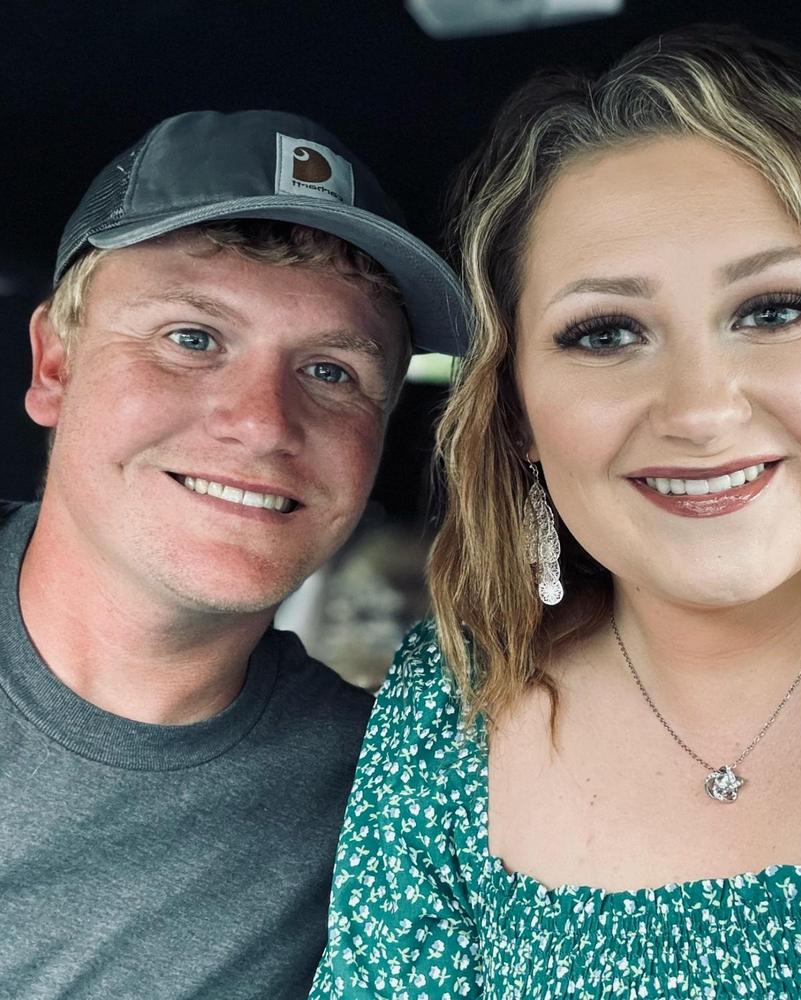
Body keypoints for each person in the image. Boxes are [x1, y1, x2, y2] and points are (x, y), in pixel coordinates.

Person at [311, 26, 801, 1000]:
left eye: (772, 310)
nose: (702, 410)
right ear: (516, 411)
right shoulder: (447, 711)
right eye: (605, 333)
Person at [0, 109, 467, 999]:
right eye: (192, 338)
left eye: (332, 371)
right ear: (55, 365)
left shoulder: (389, 809)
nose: (262, 423)